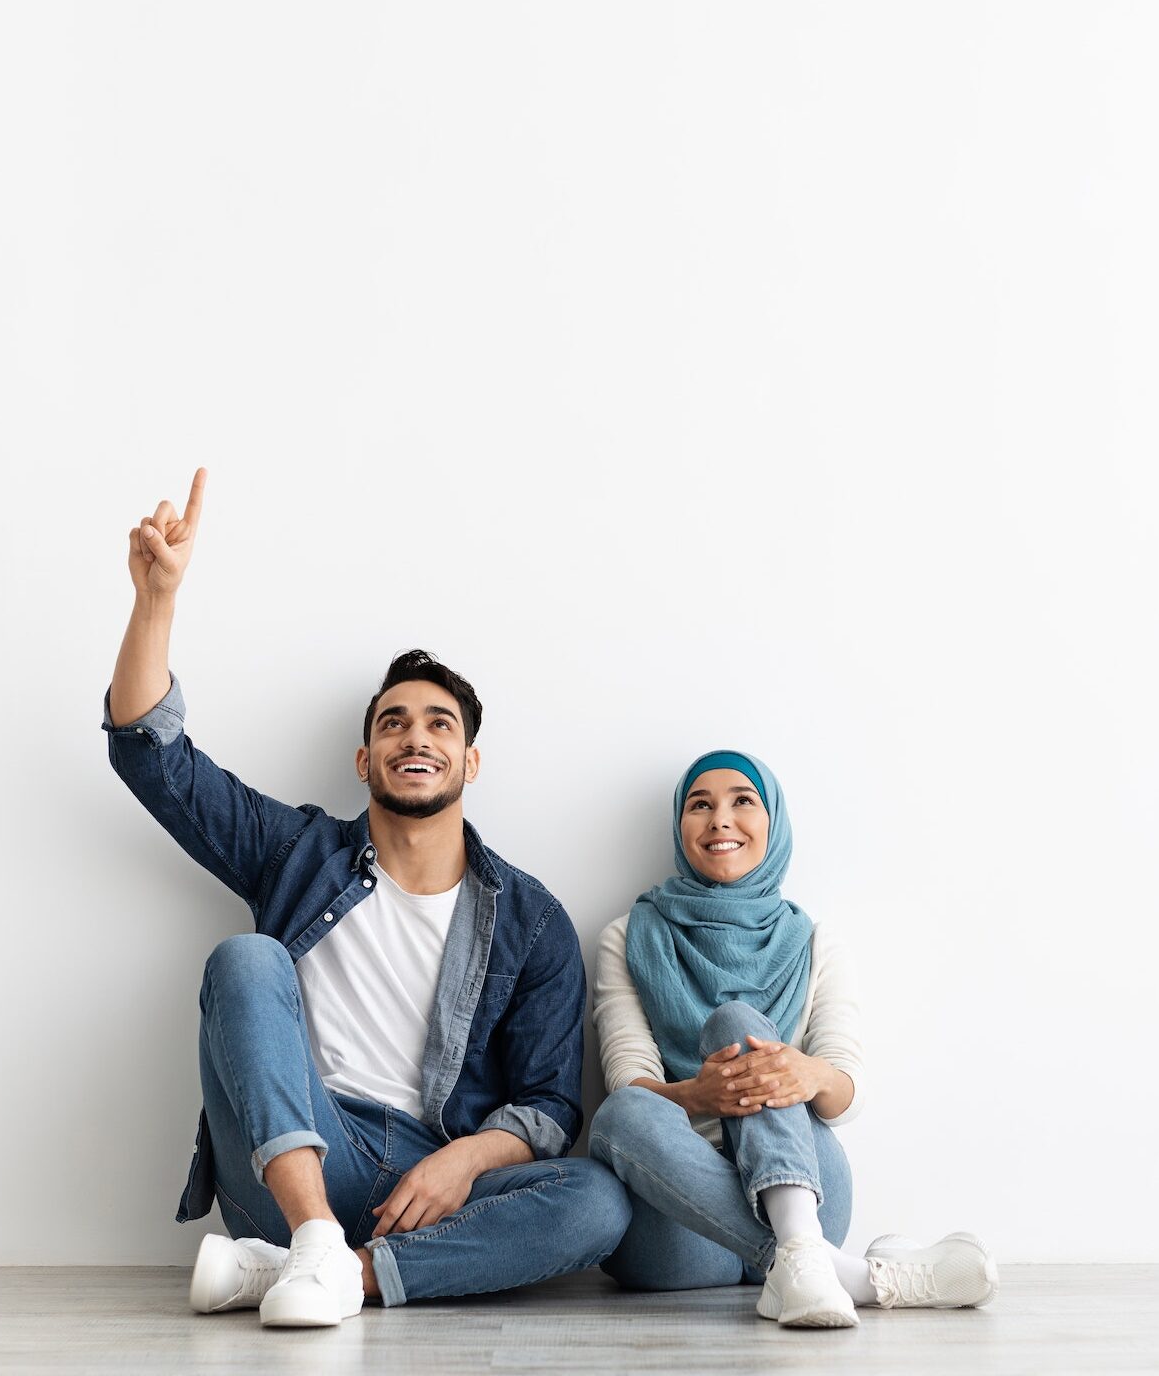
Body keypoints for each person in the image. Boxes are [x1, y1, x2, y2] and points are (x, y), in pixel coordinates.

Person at [102, 468, 630, 1330]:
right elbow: (152, 758)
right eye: (392, 722)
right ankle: (307, 1238)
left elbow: (546, 1106)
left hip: (431, 1178)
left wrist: (463, 1160)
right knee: (246, 958)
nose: (414, 736)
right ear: (364, 760)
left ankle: (333, 1274)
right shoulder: (297, 852)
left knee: (597, 1202)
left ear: (469, 762)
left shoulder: (529, 918)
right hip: (296, 1154)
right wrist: (157, 600)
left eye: (437, 725)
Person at [589, 749, 997, 1329]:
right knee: (621, 1111)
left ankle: (805, 1255)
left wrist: (811, 1074)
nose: (720, 819)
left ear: (773, 822)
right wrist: (700, 1097)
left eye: (743, 802)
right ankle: (848, 1273)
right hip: (675, 1226)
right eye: (699, 805)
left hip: (805, 1188)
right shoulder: (628, 936)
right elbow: (628, 1077)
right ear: (680, 827)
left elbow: (846, 1093)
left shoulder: (814, 942)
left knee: (738, 1025)